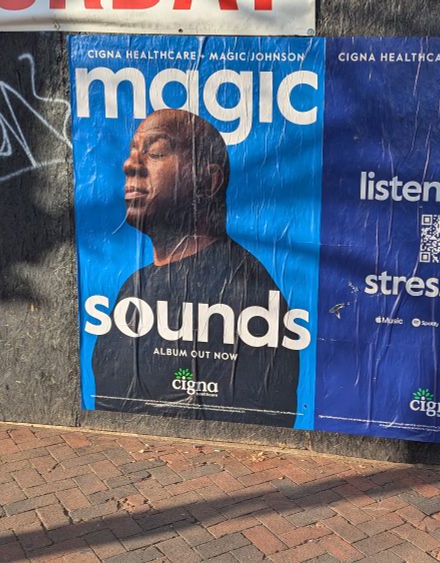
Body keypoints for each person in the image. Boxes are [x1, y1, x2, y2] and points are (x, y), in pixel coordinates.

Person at [92, 109, 300, 428]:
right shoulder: (133, 287)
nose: (130, 165)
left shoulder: (248, 293)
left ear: (207, 180)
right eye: (133, 153)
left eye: (156, 152)